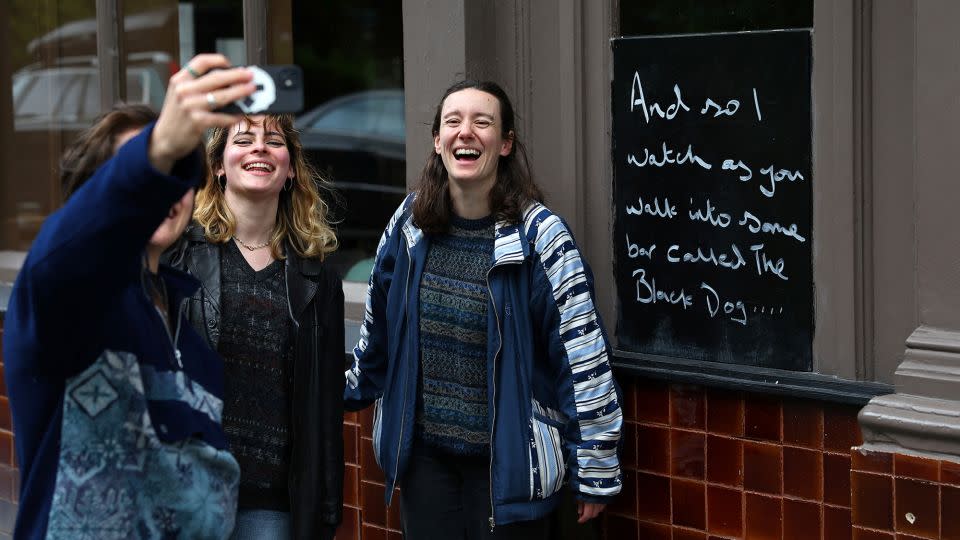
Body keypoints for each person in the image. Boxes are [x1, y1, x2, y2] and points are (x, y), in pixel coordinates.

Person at [344, 80, 623, 539]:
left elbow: (581, 356)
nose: (465, 132)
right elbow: (378, 333)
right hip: (426, 464)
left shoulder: (541, 238)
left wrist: (594, 467)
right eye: (452, 121)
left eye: (483, 122)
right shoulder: (409, 225)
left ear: (506, 143)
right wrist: (338, 389)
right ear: (437, 140)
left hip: (508, 466)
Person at [3, 54, 256, 539]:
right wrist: (159, 148)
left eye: (175, 178)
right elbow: (72, 251)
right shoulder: (68, 299)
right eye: (140, 173)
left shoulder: (197, 349)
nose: (161, 192)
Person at [165, 113, 344, 540]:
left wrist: (327, 509)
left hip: (273, 507)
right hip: (190, 494)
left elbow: (326, 407)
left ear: (290, 170)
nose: (260, 148)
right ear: (218, 166)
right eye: (243, 140)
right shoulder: (179, 257)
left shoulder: (316, 278)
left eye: (274, 141)